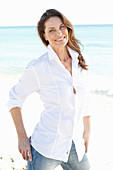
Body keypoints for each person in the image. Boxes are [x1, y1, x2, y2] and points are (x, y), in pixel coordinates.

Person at [7, 9, 91, 170]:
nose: (59, 33)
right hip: (45, 148)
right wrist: (22, 137)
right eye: (51, 30)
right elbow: (14, 100)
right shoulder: (38, 67)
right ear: (44, 35)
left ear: (68, 29)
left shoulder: (79, 61)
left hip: (75, 146)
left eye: (62, 27)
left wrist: (87, 131)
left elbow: (84, 100)